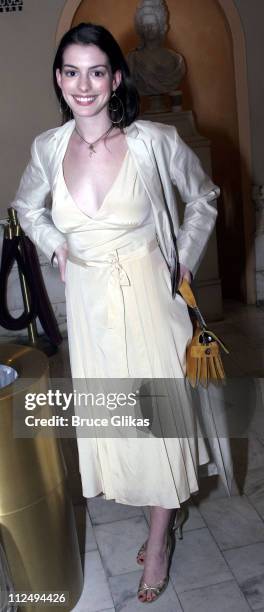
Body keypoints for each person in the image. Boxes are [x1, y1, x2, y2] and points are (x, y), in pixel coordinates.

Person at [12, 23, 220, 604]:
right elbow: (26, 206)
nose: (84, 85)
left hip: (152, 304)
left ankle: (158, 540)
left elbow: (203, 198)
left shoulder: (153, 140)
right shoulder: (48, 149)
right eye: (72, 71)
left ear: (115, 78)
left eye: (96, 71)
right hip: (91, 307)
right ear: (58, 78)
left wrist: (183, 263)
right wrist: (53, 238)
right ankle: (161, 514)